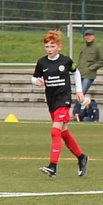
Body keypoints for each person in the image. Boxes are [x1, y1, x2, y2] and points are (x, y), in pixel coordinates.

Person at [33, 30, 88, 178]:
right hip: (51, 100)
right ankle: (81, 156)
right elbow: (34, 77)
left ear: (59, 47)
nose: (49, 49)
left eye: (52, 46)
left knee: (55, 131)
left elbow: (76, 72)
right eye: (47, 46)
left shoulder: (66, 61)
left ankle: (53, 166)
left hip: (63, 100)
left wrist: (79, 91)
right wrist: (37, 81)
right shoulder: (42, 62)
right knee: (63, 132)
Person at [77, 28, 103, 96]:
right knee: (79, 93)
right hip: (80, 73)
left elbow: (102, 60)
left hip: (89, 75)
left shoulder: (98, 47)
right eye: (86, 35)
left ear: (94, 36)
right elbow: (80, 59)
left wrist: (91, 68)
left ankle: (78, 104)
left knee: (81, 94)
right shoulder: (83, 47)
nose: (88, 37)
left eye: (90, 35)